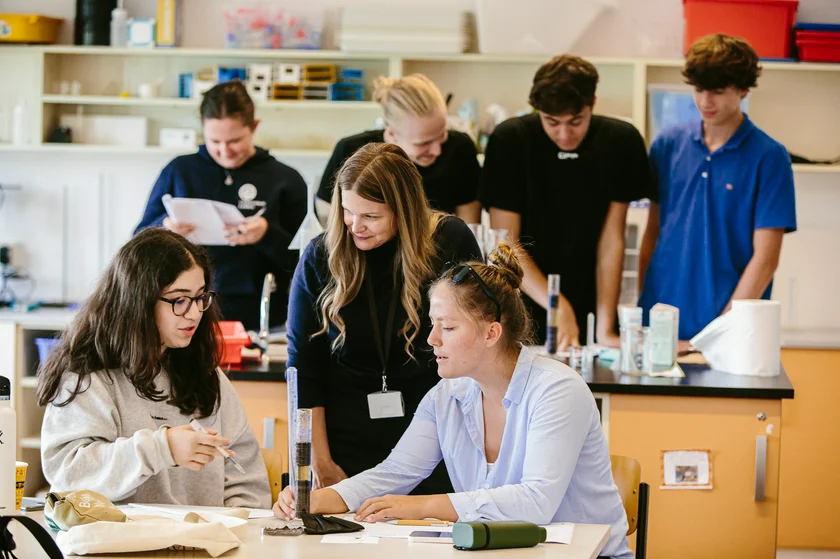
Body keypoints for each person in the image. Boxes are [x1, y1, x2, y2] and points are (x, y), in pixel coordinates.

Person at [276, 243, 632, 559]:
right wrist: (320, 499)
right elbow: (394, 473)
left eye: (447, 327)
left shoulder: (557, 390)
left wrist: (420, 507)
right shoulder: (446, 396)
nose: (431, 339)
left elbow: (535, 502)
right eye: (432, 324)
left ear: (492, 332)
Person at [287, 142, 481, 496]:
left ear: (404, 210)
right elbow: (304, 366)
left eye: (371, 216)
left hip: (434, 436)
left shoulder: (449, 241)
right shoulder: (321, 256)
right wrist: (320, 461)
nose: (355, 226)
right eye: (347, 211)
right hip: (343, 439)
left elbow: (474, 343)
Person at [38, 228, 270, 508]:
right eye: (179, 300)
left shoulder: (205, 373)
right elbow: (69, 474)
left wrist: (235, 523)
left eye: (200, 297)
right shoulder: (88, 377)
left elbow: (247, 482)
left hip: (203, 536)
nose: (194, 313)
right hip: (116, 536)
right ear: (138, 300)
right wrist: (162, 448)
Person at [481, 55, 653, 349]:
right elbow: (506, 246)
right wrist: (557, 304)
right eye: (551, 122)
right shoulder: (511, 140)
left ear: (593, 103)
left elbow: (612, 242)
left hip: (591, 299)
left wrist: (605, 329)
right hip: (522, 299)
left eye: (576, 121)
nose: (564, 134)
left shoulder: (621, 141)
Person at [638, 34, 797, 343]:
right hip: (662, 318)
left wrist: (722, 331)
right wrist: (644, 305)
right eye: (699, 90)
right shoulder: (667, 145)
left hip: (731, 326)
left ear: (743, 89)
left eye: (718, 92)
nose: (705, 102)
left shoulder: (769, 157)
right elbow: (652, 231)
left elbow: (766, 258)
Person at [135, 80, 307, 331]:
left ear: (254, 126)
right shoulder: (179, 171)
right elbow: (138, 241)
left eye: (234, 140)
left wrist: (266, 234)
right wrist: (165, 229)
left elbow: (307, 259)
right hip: (183, 311)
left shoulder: (285, 179)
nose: (225, 151)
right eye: (214, 141)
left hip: (260, 314)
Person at [317, 74, 481, 223]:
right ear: (391, 133)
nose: (437, 150)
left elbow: (469, 229)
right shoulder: (350, 151)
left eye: (442, 134)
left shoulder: (460, 149)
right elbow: (328, 223)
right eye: (423, 143)